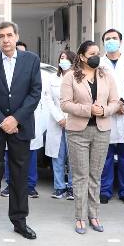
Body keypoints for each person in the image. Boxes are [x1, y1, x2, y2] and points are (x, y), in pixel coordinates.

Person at [0, 21, 41, 240]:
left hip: (20, 127)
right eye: (1, 36)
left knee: (19, 175)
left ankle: (19, 220)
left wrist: (16, 119)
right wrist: (1, 120)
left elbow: (35, 93)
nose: (5, 39)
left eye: (9, 35)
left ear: (16, 36)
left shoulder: (31, 60)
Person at [60, 40, 119, 234]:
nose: (96, 57)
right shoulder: (70, 76)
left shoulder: (106, 75)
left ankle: (94, 215)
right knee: (80, 176)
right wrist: (88, 110)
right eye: (91, 54)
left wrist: (104, 110)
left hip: (101, 130)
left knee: (95, 176)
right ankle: (80, 217)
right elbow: (65, 104)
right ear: (82, 56)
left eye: (97, 53)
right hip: (78, 132)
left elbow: (115, 102)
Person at [2, 41, 46, 198]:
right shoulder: (4, 69)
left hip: (28, 120)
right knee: (9, 155)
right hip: (8, 121)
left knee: (30, 155)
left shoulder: (33, 68)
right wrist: (10, 120)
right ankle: (10, 184)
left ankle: (30, 185)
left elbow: (36, 95)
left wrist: (18, 117)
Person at [98, 29, 124, 205]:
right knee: (105, 158)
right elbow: (95, 89)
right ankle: (105, 191)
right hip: (106, 114)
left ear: (120, 41)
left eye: (114, 38)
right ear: (103, 42)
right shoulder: (98, 63)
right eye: (107, 39)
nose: (111, 41)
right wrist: (113, 106)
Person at [46, 50, 76, 200]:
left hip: (74, 121)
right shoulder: (52, 78)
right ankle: (59, 187)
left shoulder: (78, 77)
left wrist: (68, 118)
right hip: (57, 122)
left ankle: (72, 187)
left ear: (73, 61)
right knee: (57, 156)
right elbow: (48, 100)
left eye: (66, 58)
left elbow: (80, 100)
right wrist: (59, 118)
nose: (63, 60)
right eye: (61, 58)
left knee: (73, 157)